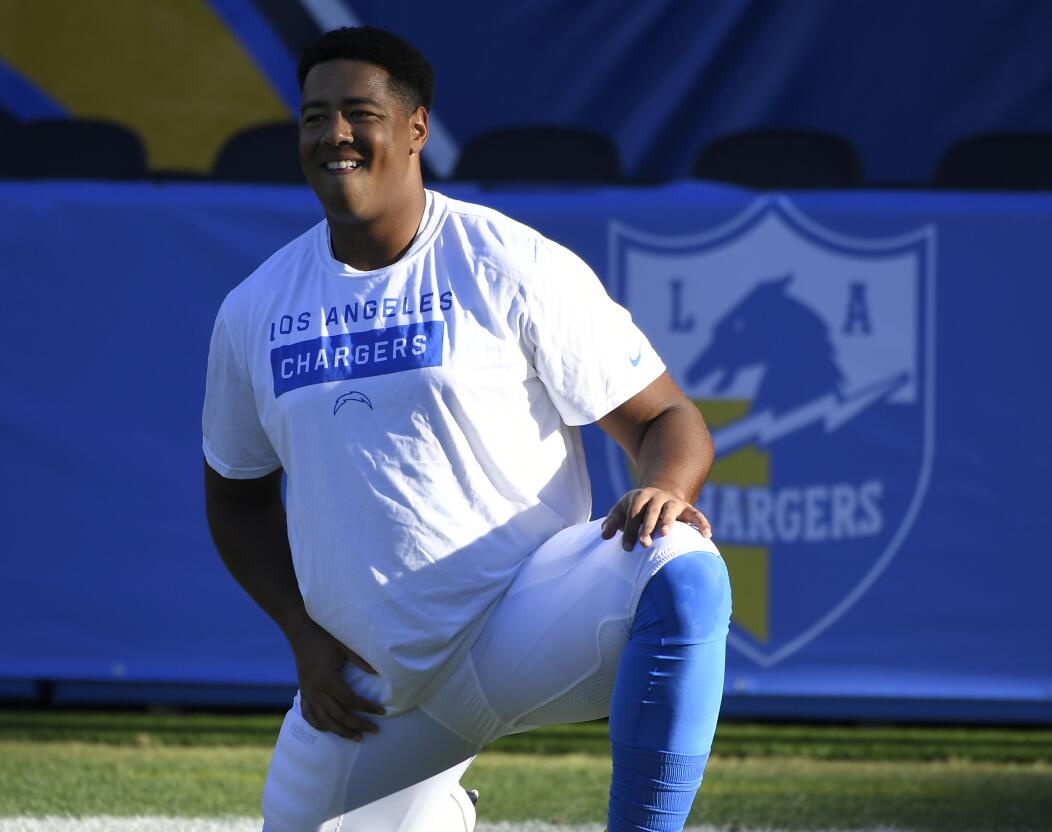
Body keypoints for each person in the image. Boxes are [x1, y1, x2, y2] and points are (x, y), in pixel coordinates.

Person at [202, 25, 730, 832]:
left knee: (681, 570)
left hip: (529, 616)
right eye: (314, 117)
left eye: (358, 113)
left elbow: (668, 416)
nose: (335, 135)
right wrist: (305, 639)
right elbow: (235, 500)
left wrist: (664, 486)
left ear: (416, 128)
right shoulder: (252, 310)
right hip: (379, 678)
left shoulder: (506, 261)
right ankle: (435, 815)